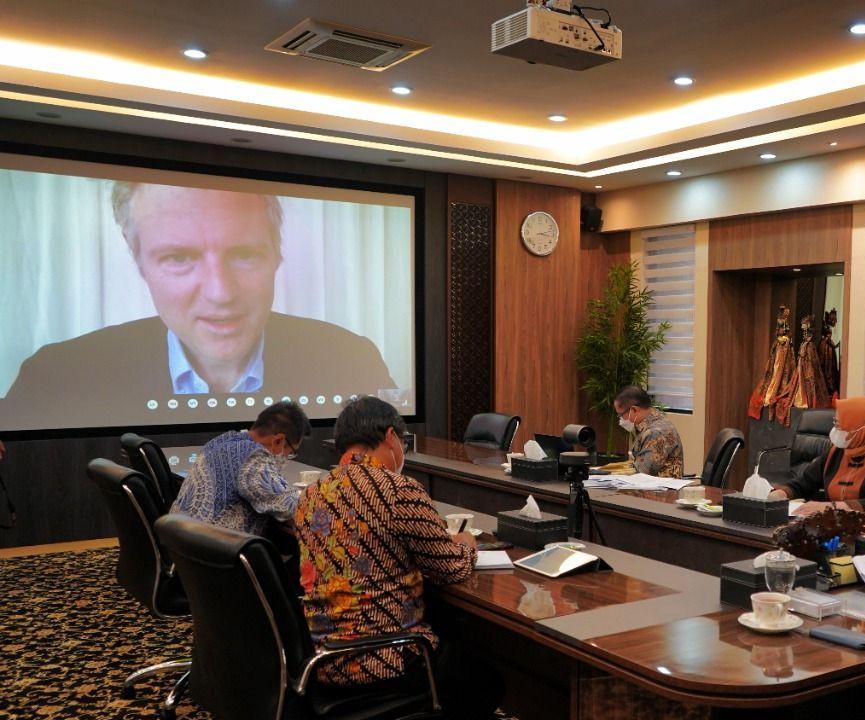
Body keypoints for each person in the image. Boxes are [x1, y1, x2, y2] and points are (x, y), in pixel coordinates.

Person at [2, 182, 398, 424]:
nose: (220, 292)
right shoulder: (55, 376)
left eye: (244, 254)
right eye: (179, 258)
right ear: (138, 260)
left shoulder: (351, 358)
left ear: (277, 254)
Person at [294, 396, 499, 718]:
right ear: (391, 437)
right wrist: (467, 543)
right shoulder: (398, 490)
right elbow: (450, 568)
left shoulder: (312, 494)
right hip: (385, 656)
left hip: (320, 656)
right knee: (484, 677)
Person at [169, 400, 310, 535]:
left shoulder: (221, 441)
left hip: (182, 546)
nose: (287, 457)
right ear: (278, 440)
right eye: (291, 452)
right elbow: (290, 507)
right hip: (213, 553)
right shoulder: (252, 458)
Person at [767, 396, 865, 516]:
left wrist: (833, 507)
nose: (835, 430)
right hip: (833, 526)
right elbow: (805, 482)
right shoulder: (837, 452)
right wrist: (780, 494)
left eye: (840, 425)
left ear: (861, 430)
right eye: (835, 423)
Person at [614, 386, 684, 478]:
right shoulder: (652, 422)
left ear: (634, 410)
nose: (621, 419)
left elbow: (642, 473)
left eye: (621, 415)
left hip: (660, 490)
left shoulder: (656, 433)